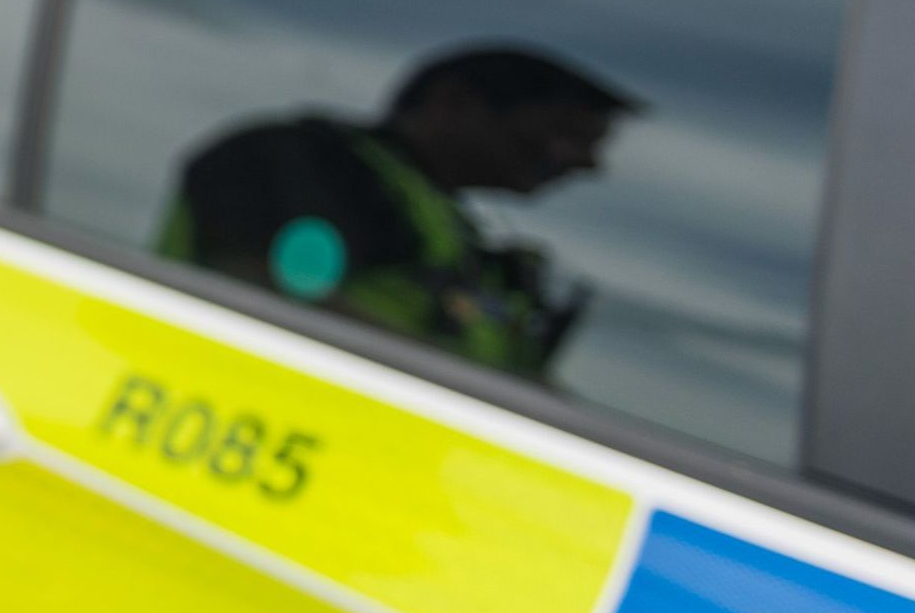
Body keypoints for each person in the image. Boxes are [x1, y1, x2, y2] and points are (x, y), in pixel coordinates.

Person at [160, 44, 639, 377]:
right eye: (566, 133)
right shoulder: (306, 160)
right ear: (455, 103)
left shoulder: (455, 233)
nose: (587, 163)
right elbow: (263, 297)